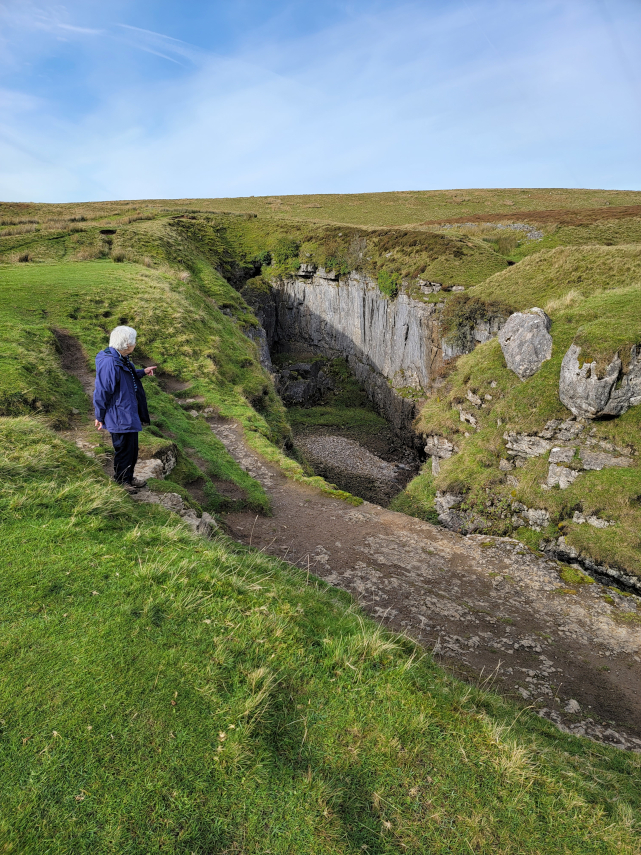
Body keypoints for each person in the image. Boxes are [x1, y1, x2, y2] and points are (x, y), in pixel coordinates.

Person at [93, 326, 157, 492]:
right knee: (123, 449)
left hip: (127, 412)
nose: (135, 343)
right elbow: (102, 391)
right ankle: (122, 482)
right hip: (119, 415)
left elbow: (127, 374)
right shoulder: (110, 363)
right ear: (126, 344)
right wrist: (99, 415)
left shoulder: (121, 358)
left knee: (132, 449)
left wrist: (142, 372)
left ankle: (128, 477)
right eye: (133, 341)